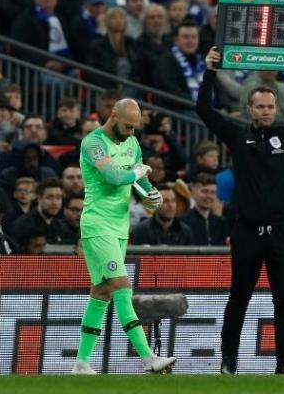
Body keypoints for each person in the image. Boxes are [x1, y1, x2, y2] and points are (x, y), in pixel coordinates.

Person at [198, 46, 284, 375]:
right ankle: (228, 361)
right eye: (261, 106)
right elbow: (204, 109)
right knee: (239, 296)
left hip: (282, 230)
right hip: (246, 229)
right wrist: (210, 72)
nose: (267, 111)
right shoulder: (238, 136)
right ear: (250, 108)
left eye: (271, 106)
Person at [72, 97, 176, 375]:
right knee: (121, 286)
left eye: (135, 128)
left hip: (120, 227)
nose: (132, 133)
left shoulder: (132, 144)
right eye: (128, 127)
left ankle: (81, 363)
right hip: (97, 225)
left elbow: (140, 183)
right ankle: (147, 357)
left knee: (102, 292)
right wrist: (137, 173)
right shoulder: (92, 143)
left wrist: (152, 198)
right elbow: (113, 177)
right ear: (113, 117)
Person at [12, 178, 73, 245]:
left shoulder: (61, 227)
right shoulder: (23, 225)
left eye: (58, 197)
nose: (55, 202)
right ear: (39, 198)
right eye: (49, 197)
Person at [180, 173, 229, 246]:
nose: (209, 196)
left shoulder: (222, 223)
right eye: (205, 191)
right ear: (193, 192)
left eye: (213, 192)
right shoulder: (182, 222)